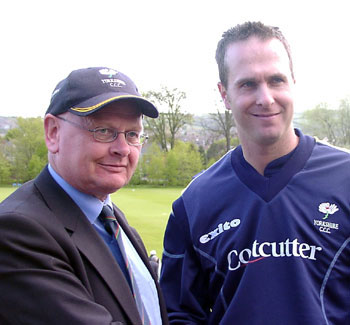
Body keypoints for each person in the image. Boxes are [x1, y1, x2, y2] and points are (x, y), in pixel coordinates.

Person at [160, 21, 350, 324]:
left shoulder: (345, 178)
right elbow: (179, 314)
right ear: (224, 94)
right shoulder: (194, 203)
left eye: (276, 80)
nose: (266, 98)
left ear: (293, 83)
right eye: (248, 84)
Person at [0, 67, 169, 325]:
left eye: (132, 134)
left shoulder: (111, 219)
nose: (122, 149)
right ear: (53, 133)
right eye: (103, 131)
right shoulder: (17, 231)